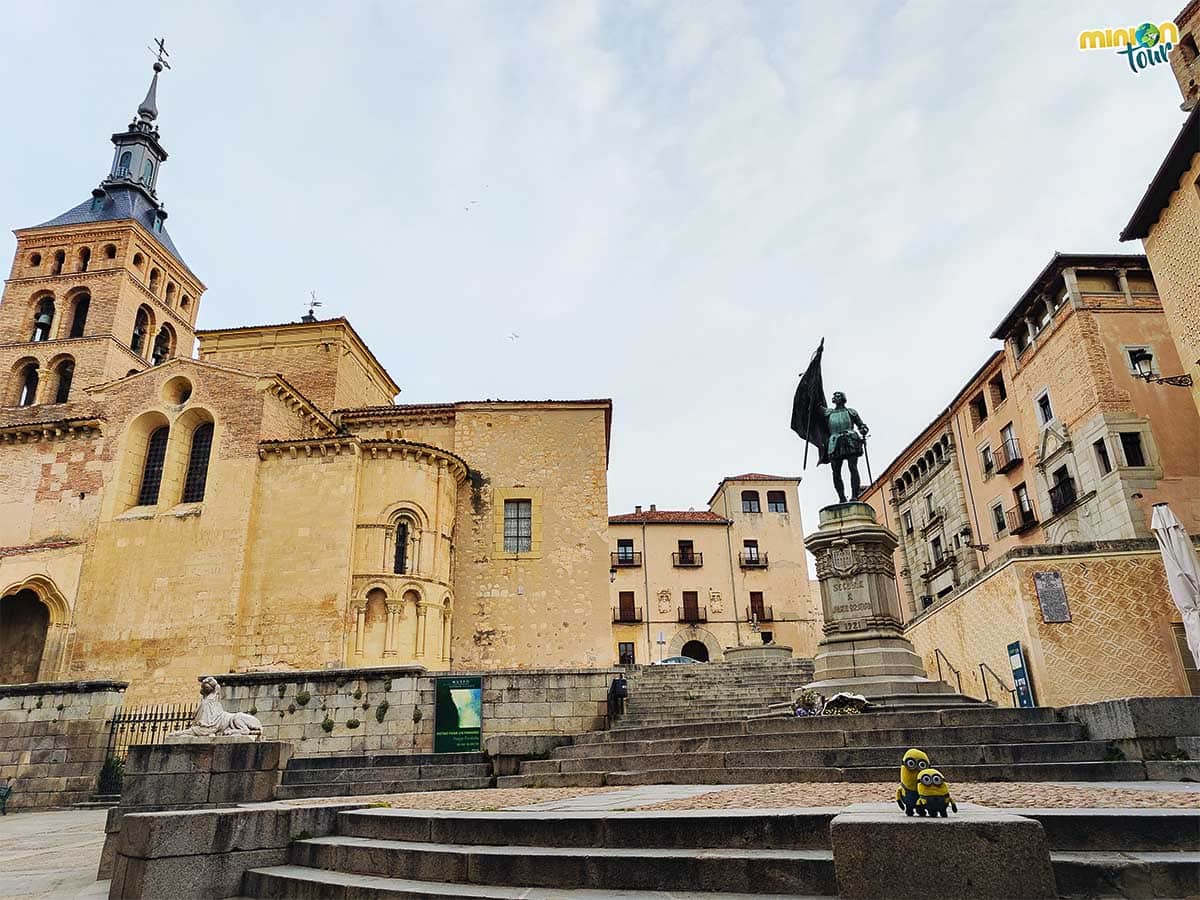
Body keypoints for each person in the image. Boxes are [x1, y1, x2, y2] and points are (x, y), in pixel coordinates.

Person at [822, 391, 869, 503]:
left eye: (838, 396)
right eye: (834, 396)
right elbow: (816, 409)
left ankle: (854, 495)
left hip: (850, 439)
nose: (836, 397)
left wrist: (863, 429)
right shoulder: (828, 413)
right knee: (836, 471)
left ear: (843, 398)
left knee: (853, 468)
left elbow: (861, 425)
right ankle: (842, 497)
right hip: (834, 442)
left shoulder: (851, 412)